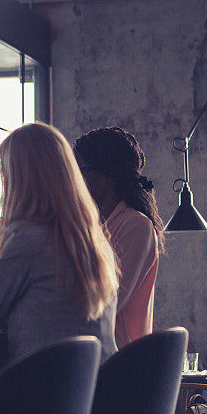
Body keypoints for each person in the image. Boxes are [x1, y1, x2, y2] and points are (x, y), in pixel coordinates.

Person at [0, 123, 118, 363]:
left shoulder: (25, 239)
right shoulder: (95, 241)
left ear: (15, 180)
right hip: (97, 390)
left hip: (46, 393)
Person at [72, 127, 163, 350]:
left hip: (120, 362)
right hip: (91, 355)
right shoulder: (91, 227)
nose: (75, 180)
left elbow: (107, 302)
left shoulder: (136, 226)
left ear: (107, 175)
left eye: (80, 170)